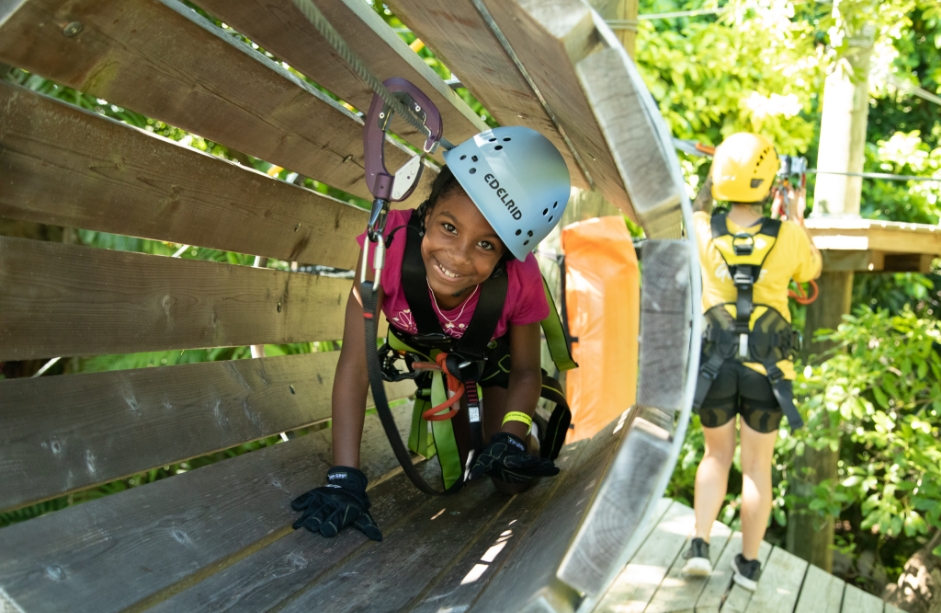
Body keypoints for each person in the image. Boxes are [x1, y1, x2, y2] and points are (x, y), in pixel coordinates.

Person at [290, 127, 572, 541]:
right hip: (435, 367)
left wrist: (511, 435)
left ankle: (531, 430)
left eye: (487, 246)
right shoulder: (384, 249)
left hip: (490, 368)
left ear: (507, 256)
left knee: (507, 479)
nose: (458, 257)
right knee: (464, 461)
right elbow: (354, 363)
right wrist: (344, 477)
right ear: (427, 211)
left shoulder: (520, 279)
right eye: (449, 227)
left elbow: (527, 371)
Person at [681, 133, 821, 590]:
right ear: (768, 183)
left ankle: (699, 544)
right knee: (757, 468)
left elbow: (698, 207)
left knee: (716, 455)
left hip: (715, 368)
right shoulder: (790, 238)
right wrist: (796, 214)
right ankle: (747, 566)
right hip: (769, 372)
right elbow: (813, 269)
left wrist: (710, 178)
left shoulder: (703, 229)